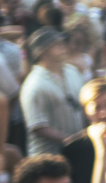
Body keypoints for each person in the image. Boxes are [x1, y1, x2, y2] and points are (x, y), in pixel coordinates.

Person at [19, 29, 86, 157]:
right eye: (56, 44)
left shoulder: (72, 71)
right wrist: (69, 139)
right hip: (47, 155)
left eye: (62, 43)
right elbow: (37, 126)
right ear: (42, 51)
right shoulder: (34, 84)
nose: (63, 47)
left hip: (76, 151)